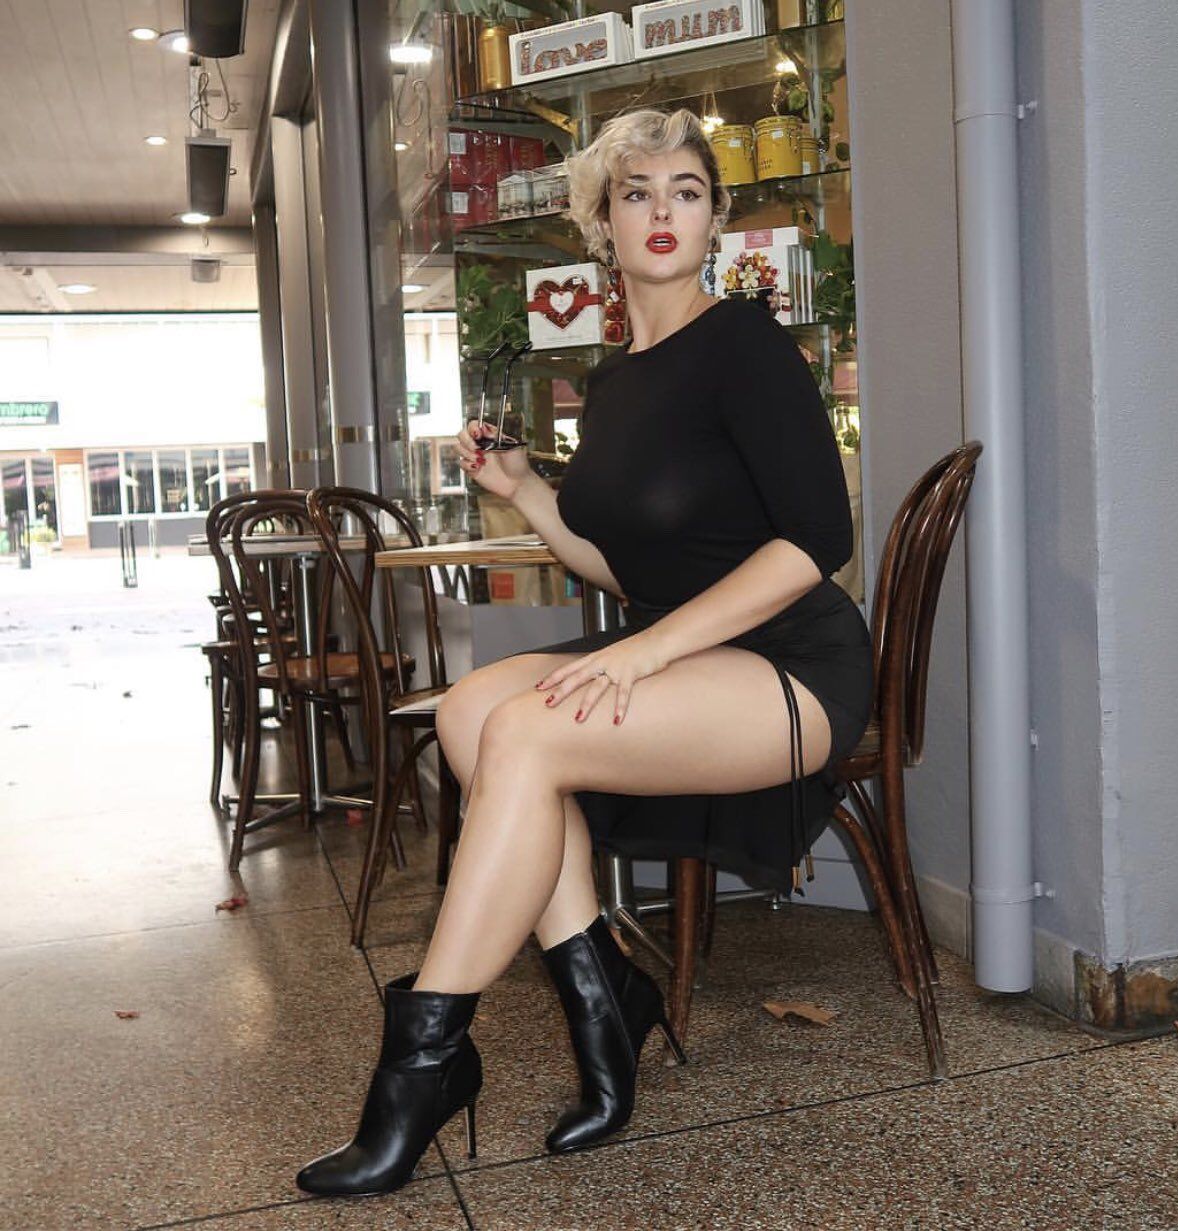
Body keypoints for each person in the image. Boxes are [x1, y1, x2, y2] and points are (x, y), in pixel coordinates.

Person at [295, 107, 873, 1199]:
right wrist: (524, 491)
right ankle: (607, 1000)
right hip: (685, 654)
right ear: (602, 222)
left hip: (789, 666)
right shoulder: (614, 383)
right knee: (472, 711)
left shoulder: (745, 344)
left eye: (687, 192)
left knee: (524, 731)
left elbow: (816, 541)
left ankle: (423, 1063)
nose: (663, 211)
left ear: (714, 219)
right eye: (637, 192)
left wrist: (644, 655)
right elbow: (625, 568)